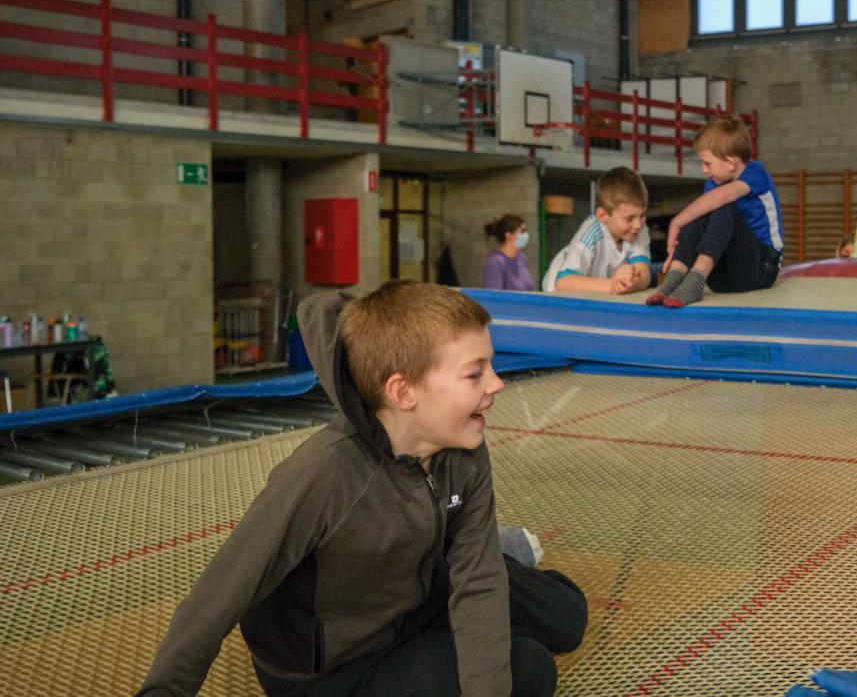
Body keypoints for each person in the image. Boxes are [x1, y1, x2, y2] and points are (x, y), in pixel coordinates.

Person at [137, 282, 587, 697]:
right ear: (403, 392)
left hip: (413, 587)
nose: (497, 383)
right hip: (336, 665)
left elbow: (479, 582)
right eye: (475, 374)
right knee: (530, 668)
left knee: (567, 615)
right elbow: (220, 594)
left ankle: (492, 551)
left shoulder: (464, 447)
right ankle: (482, 560)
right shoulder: (324, 472)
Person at [645, 115, 783, 308]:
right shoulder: (713, 183)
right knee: (700, 212)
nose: (703, 170)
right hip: (723, 277)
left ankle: (695, 280)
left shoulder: (755, 172)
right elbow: (704, 222)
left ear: (730, 162)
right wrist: (680, 251)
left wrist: (676, 222)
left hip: (761, 270)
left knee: (722, 205)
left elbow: (723, 197)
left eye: (707, 163)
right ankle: (675, 276)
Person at [542, 166, 652, 295]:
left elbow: (644, 273)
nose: (638, 225)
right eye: (629, 218)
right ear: (603, 216)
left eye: (642, 215)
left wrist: (634, 282)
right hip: (558, 292)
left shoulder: (637, 228)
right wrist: (611, 285)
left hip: (600, 288)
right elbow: (563, 283)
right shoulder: (591, 234)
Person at [483, 214, 534, 291]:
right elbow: (494, 295)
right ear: (509, 235)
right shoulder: (495, 262)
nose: (526, 235)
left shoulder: (522, 259)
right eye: (522, 231)